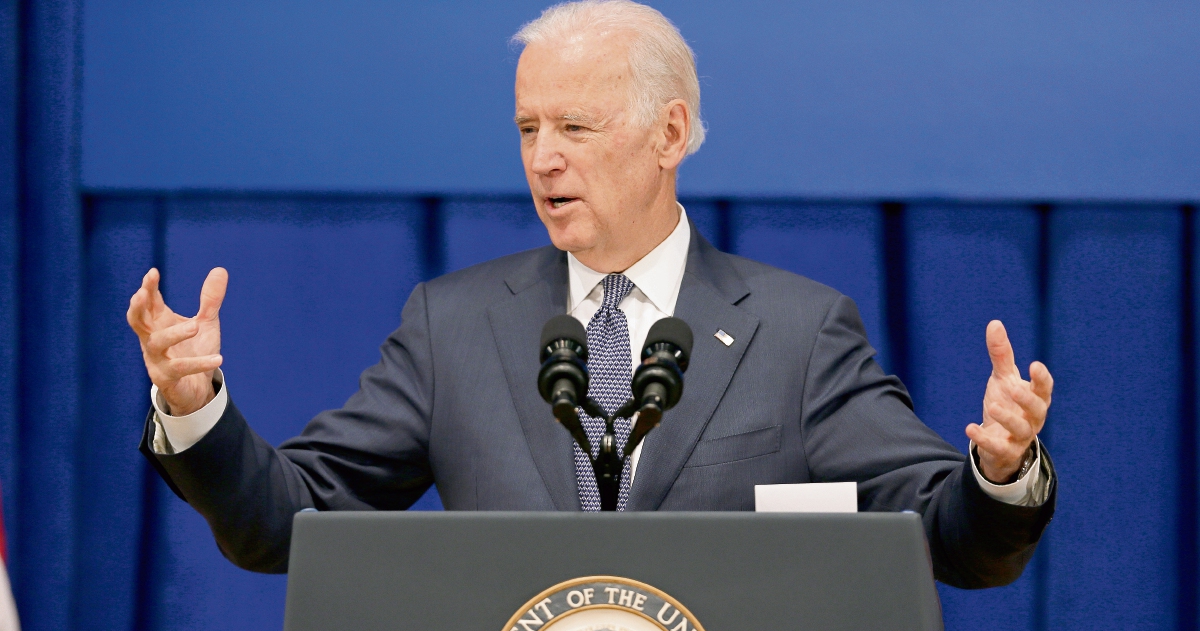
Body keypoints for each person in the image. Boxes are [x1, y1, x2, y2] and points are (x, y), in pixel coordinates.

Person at [127, 0, 1055, 587]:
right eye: (528, 126)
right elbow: (288, 522)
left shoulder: (798, 332)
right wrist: (195, 405)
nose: (543, 157)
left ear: (670, 133)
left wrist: (1001, 472)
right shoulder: (452, 326)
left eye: (575, 124)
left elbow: (949, 540)